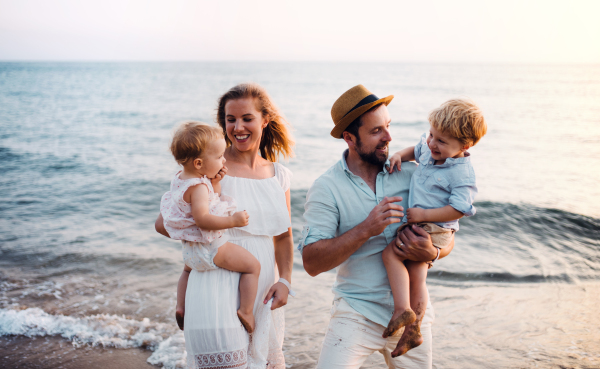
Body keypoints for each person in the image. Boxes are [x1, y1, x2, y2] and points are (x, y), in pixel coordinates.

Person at [299, 85, 454, 369]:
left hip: (414, 319)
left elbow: (447, 235)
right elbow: (311, 262)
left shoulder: (413, 175)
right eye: (376, 131)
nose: (389, 137)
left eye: (388, 126)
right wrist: (365, 229)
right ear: (349, 138)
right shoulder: (326, 188)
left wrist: (430, 251)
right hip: (356, 313)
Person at [156, 83, 294, 369]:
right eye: (230, 119)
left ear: (264, 121)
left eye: (247, 118)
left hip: (263, 286)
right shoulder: (207, 169)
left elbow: (283, 238)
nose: (238, 127)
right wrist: (203, 234)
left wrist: (286, 281)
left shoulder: (279, 175)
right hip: (215, 282)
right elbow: (165, 222)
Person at [382, 98, 487, 357]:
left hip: (436, 227)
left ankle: (404, 313)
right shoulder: (430, 149)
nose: (431, 143)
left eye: (441, 141)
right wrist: (398, 155)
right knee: (412, 271)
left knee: (397, 259)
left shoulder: (462, 173)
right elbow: (415, 151)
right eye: (431, 135)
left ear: (465, 145)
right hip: (422, 222)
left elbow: (460, 209)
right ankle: (413, 328)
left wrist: (424, 214)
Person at [159, 121, 258, 333]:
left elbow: (199, 203)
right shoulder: (199, 187)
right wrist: (234, 221)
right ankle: (246, 310)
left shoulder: (179, 180)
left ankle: (181, 307)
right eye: (219, 156)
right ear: (198, 163)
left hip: (190, 253)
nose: (223, 159)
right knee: (253, 267)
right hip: (212, 248)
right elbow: (203, 218)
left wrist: (214, 183)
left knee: (186, 272)